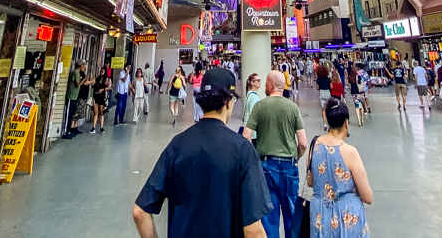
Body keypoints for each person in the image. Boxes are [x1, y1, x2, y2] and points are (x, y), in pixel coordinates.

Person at [133, 67, 268, 238]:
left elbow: (140, 212)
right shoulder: (242, 150)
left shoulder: (177, 145)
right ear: (228, 102)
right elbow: (253, 230)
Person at [244, 71, 308, 238]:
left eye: (265, 82)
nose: (264, 86)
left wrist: (255, 160)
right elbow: (303, 142)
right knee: (292, 213)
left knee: (268, 216)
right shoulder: (293, 107)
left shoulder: (260, 106)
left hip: (265, 167)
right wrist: (295, 158)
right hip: (289, 166)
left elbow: (246, 136)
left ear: (271, 85)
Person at [308, 98, 372, 237]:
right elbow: (367, 196)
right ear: (346, 123)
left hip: (320, 217)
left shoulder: (315, 145)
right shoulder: (350, 152)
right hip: (346, 218)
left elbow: (310, 182)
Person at [62, 63, 83, 138]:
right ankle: (66, 132)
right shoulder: (76, 72)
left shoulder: (77, 73)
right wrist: (83, 80)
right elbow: (77, 84)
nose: (85, 67)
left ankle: (69, 130)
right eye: (84, 65)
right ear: (81, 65)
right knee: (68, 115)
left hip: (74, 97)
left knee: (71, 115)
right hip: (71, 96)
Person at [93, 68, 110, 133]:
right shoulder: (97, 78)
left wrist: (103, 89)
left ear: (105, 72)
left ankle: (101, 127)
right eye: (101, 71)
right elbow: (93, 86)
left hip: (102, 97)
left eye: (103, 71)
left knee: (101, 112)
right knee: (96, 112)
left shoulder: (107, 79)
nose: (102, 72)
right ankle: (93, 128)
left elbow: (109, 87)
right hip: (96, 96)